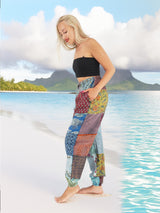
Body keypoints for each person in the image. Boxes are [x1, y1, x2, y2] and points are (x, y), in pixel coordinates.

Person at [55, 15, 115, 203]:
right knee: (94, 140)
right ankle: (97, 184)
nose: (63, 36)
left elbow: (110, 69)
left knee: (74, 139)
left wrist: (96, 89)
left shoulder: (90, 43)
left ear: (74, 27)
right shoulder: (78, 49)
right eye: (60, 33)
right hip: (83, 95)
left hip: (94, 95)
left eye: (65, 31)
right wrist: (82, 94)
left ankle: (72, 184)